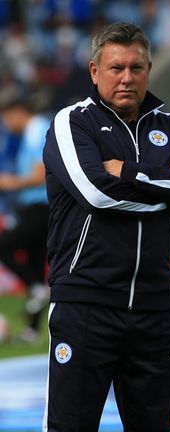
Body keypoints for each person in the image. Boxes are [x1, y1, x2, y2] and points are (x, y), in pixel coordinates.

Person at [42, 22, 170, 431]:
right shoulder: (72, 123)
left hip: (156, 308)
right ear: (94, 71)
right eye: (116, 68)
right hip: (86, 304)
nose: (126, 78)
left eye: (136, 68)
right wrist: (169, 184)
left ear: (149, 70)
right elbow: (96, 194)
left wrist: (128, 171)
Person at [0, 85, 50, 343]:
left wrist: (11, 183)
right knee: (34, 260)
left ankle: (37, 288)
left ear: (17, 112)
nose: (6, 124)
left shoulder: (36, 130)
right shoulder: (33, 131)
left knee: (4, 246)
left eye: (6, 117)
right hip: (39, 206)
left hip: (41, 205)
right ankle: (31, 331)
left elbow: (40, 175)